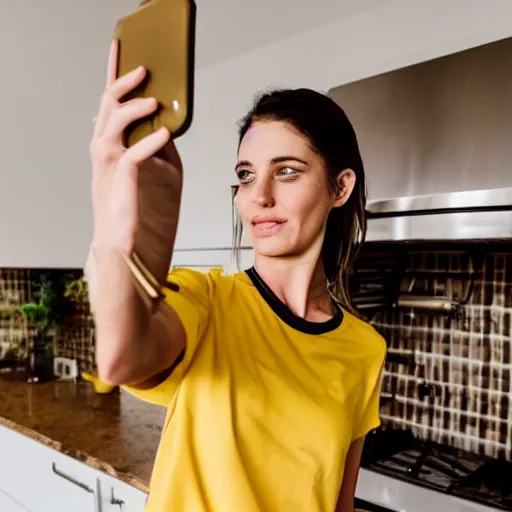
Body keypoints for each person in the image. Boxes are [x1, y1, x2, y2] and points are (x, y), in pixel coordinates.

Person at [85, 39, 386, 512]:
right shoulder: (206, 299)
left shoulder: (365, 349)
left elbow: (338, 502)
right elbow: (121, 358)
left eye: (286, 171)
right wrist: (118, 229)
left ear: (339, 187)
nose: (258, 196)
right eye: (246, 175)